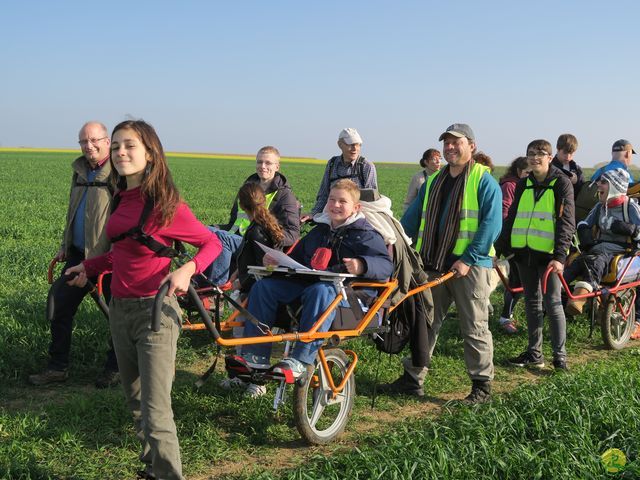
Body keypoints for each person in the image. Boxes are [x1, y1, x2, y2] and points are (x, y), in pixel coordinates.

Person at [66, 120, 221, 480]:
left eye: (130, 146)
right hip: (120, 311)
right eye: (116, 145)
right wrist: (88, 267)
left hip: (155, 312)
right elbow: (122, 252)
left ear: (150, 153)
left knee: (156, 410)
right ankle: (153, 468)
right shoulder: (122, 197)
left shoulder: (166, 204)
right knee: (136, 402)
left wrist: (187, 270)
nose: (121, 152)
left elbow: (211, 243)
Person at [237, 179, 393, 381]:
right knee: (263, 287)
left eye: (342, 201)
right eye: (331, 199)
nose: (335, 205)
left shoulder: (366, 234)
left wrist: (362, 264)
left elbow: (386, 265)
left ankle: (301, 360)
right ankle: (254, 358)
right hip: (311, 288)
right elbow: (297, 260)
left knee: (320, 290)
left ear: (356, 208)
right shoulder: (320, 230)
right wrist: (277, 262)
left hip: (350, 297)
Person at [397, 123, 502, 404]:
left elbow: (491, 225)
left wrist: (467, 259)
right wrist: (394, 239)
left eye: (457, 142)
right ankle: (413, 378)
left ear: (472, 146)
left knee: (474, 326)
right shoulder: (433, 180)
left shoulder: (483, 180)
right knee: (426, 323)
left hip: (471, 266)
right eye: (447, 143)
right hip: (432, 263)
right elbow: (412, 219)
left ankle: (481, 386)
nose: (450, 147)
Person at [29, 121, 120, 389]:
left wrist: (116, 252)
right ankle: (57, 367)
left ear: (106, 141)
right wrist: (65, 245)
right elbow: (73, 211)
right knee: (59, 303)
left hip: (109, 259)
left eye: (94, 140)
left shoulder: (118, 174)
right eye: (83, 142)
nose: (88, 146)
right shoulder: (80, 172)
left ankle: (115, 368)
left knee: (117, 315)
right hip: (78, 256)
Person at [496, 139, 575, 371]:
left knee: (552, 302)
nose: (535, 157)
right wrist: (500, 248)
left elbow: (566, 222)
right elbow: (511, 217)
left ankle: (560, 358)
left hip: (549, 256)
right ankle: (535, 354)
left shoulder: (561, 184)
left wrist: (560, 257)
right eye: (531, 153)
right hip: (524, 254)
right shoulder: (524, 184)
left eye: (541, 153)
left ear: (550, 158)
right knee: (532, 303)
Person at [205, 146, 299, 285]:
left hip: (258, 245)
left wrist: (270, 238)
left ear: (277, 167)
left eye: (268, 163)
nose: (263, 166)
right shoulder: (247, 189)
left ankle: (215, 287)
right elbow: (234, 224)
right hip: (239, 239)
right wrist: (215, 227)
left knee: (221, 237)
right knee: (206, 231)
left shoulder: (284, 196)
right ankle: (198, 280)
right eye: (259, 162)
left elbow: (292, 234)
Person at [564, 169, 640, 315]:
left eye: (604, 182)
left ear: (616, 187)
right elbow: (583, 224)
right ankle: (557, 293)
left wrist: (622, 227)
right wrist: (586, 238)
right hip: (597, 248)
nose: (598, 185)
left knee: (595, 261)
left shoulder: (629, 207)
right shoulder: (600, 206)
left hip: (620, 251)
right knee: (577, 263)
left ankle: (579, 299)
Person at [303, 128, 378, 219]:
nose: (355, 148)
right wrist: (314, 214)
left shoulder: (366, 166)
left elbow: (371, 201)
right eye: (350, 144)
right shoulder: (332, 164)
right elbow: (324, 194)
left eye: (358, 145)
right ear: (340, 144)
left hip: (358, 216)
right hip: (333, 214)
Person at [496, 156, 529, 334]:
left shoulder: (526, 186)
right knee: (517, 280)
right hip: (510, 240)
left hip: (524, 239)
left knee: (522, 281)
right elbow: (504, 213)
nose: (529, 176)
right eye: (526, 173)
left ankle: (506, 315)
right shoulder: (511, 186)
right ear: (518, 171)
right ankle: (504, 318)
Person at [402, 148, 441, 213]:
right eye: (434, 159)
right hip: (422, 218)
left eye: (440, 158)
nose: (438, 161)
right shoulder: (418, 178)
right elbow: (409, 202)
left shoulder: (445, 176)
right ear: (426, 162)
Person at [552, 133, 584, 199]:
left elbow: (582, 193)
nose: (568, 156)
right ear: (558, 149)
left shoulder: (577, 169)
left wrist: (576, 182)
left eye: (571, 153)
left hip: (571, 206)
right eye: (565, 153)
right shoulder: (548, 167)